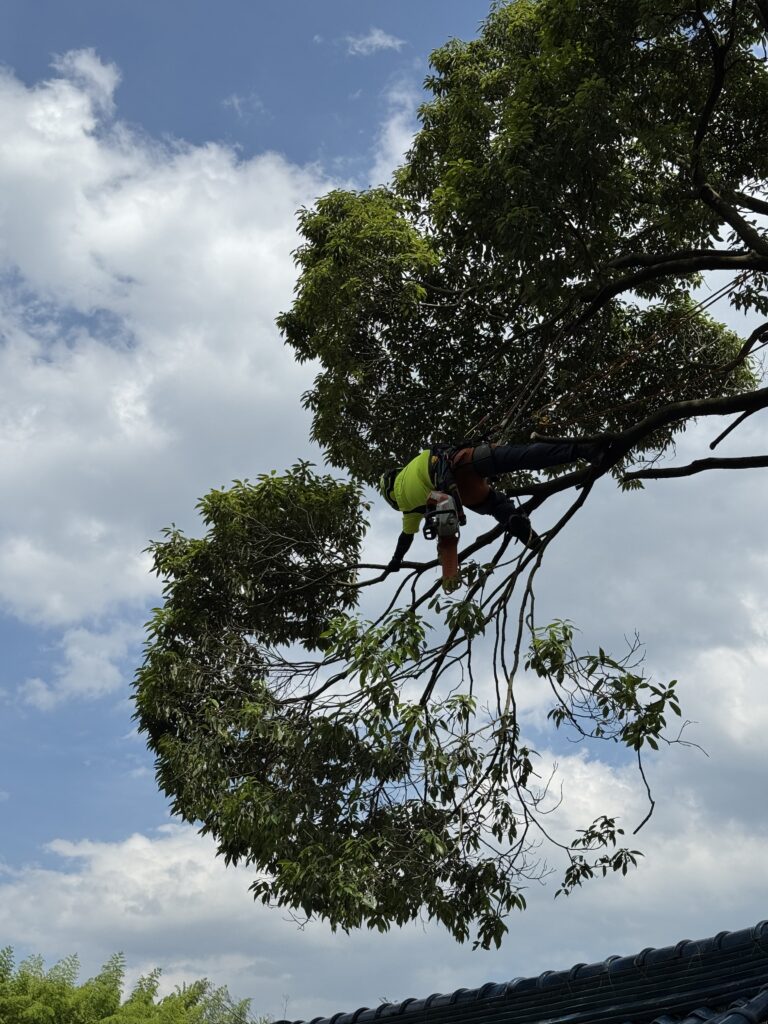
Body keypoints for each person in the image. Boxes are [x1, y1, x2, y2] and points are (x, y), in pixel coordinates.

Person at [379, 440, 602, 574]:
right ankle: (582, 449)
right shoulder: (410, 465)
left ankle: (512, 520)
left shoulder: (408, 509)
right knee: (523, 456)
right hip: (456, 463)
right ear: (394, 475)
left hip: (459, 494)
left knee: (493, 504)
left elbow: (405, 539)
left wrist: (395, 562)